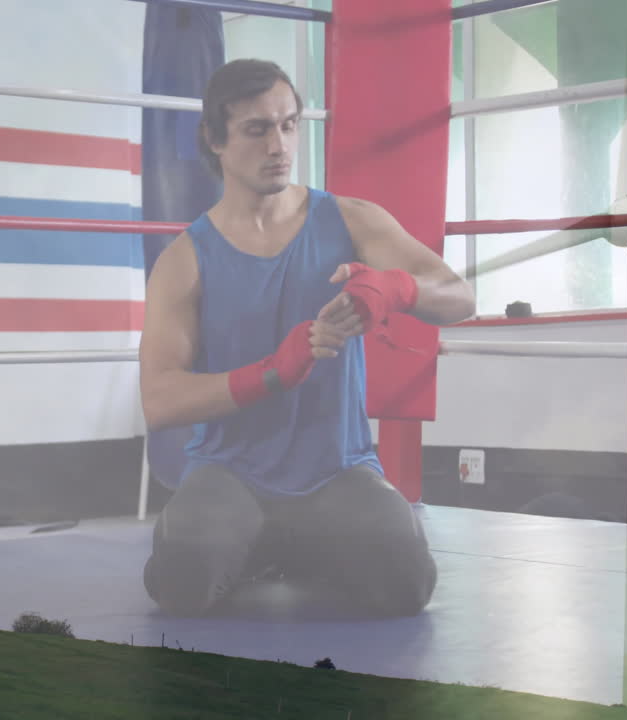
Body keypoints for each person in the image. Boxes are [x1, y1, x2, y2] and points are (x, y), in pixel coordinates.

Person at [138, 59, 476, 618]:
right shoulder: (185, 261)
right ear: (215, 139)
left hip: (336, 471)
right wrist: (272, 372)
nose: (280, 144)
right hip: (230, 475)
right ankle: (264, 547)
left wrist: (392, 289)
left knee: (405, 583)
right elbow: (160, 401)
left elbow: (460, 297)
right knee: (184, 580)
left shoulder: (350, 220)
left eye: (290, 124)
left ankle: (293, 549)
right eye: (257, 129)